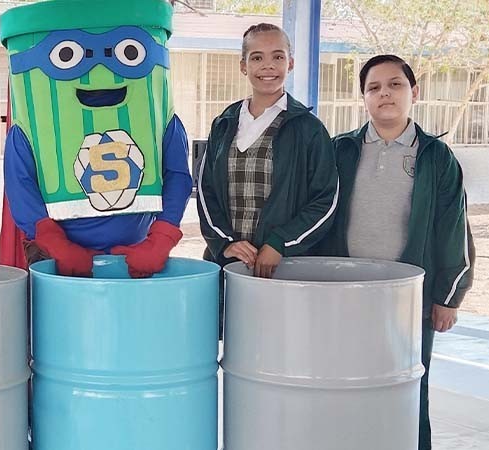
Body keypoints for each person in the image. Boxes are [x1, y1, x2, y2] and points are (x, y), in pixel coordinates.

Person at [317, 54, 474, 450]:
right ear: (363, 98)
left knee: (407, 389)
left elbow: (452, 228)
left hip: (408, 301)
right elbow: (317, 215)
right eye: (374, 87)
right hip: (345, 296)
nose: (384, 93)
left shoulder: (436, 157)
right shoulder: (341, 151)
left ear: (413, 92)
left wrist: (448, 297)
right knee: (343, 385)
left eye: (395, 84)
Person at [1, 0, 192, 278]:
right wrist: (56, 244)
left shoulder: (159, 115)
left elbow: (177, 174)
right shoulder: (30, 124)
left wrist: (161, 238)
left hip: (136, 256)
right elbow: (20, 184)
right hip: (58, 263)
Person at [196, 23, 338, 278]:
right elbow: (206, 191)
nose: (268, 65)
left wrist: (280, 243)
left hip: (285, 267)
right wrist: (226, 243)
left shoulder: (308, 128)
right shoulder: (224, 122)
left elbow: (325, 200)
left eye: (278, 57)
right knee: (225, 318)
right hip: (228, 265)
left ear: (290, 64)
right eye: (257, 57)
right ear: (243, 66)